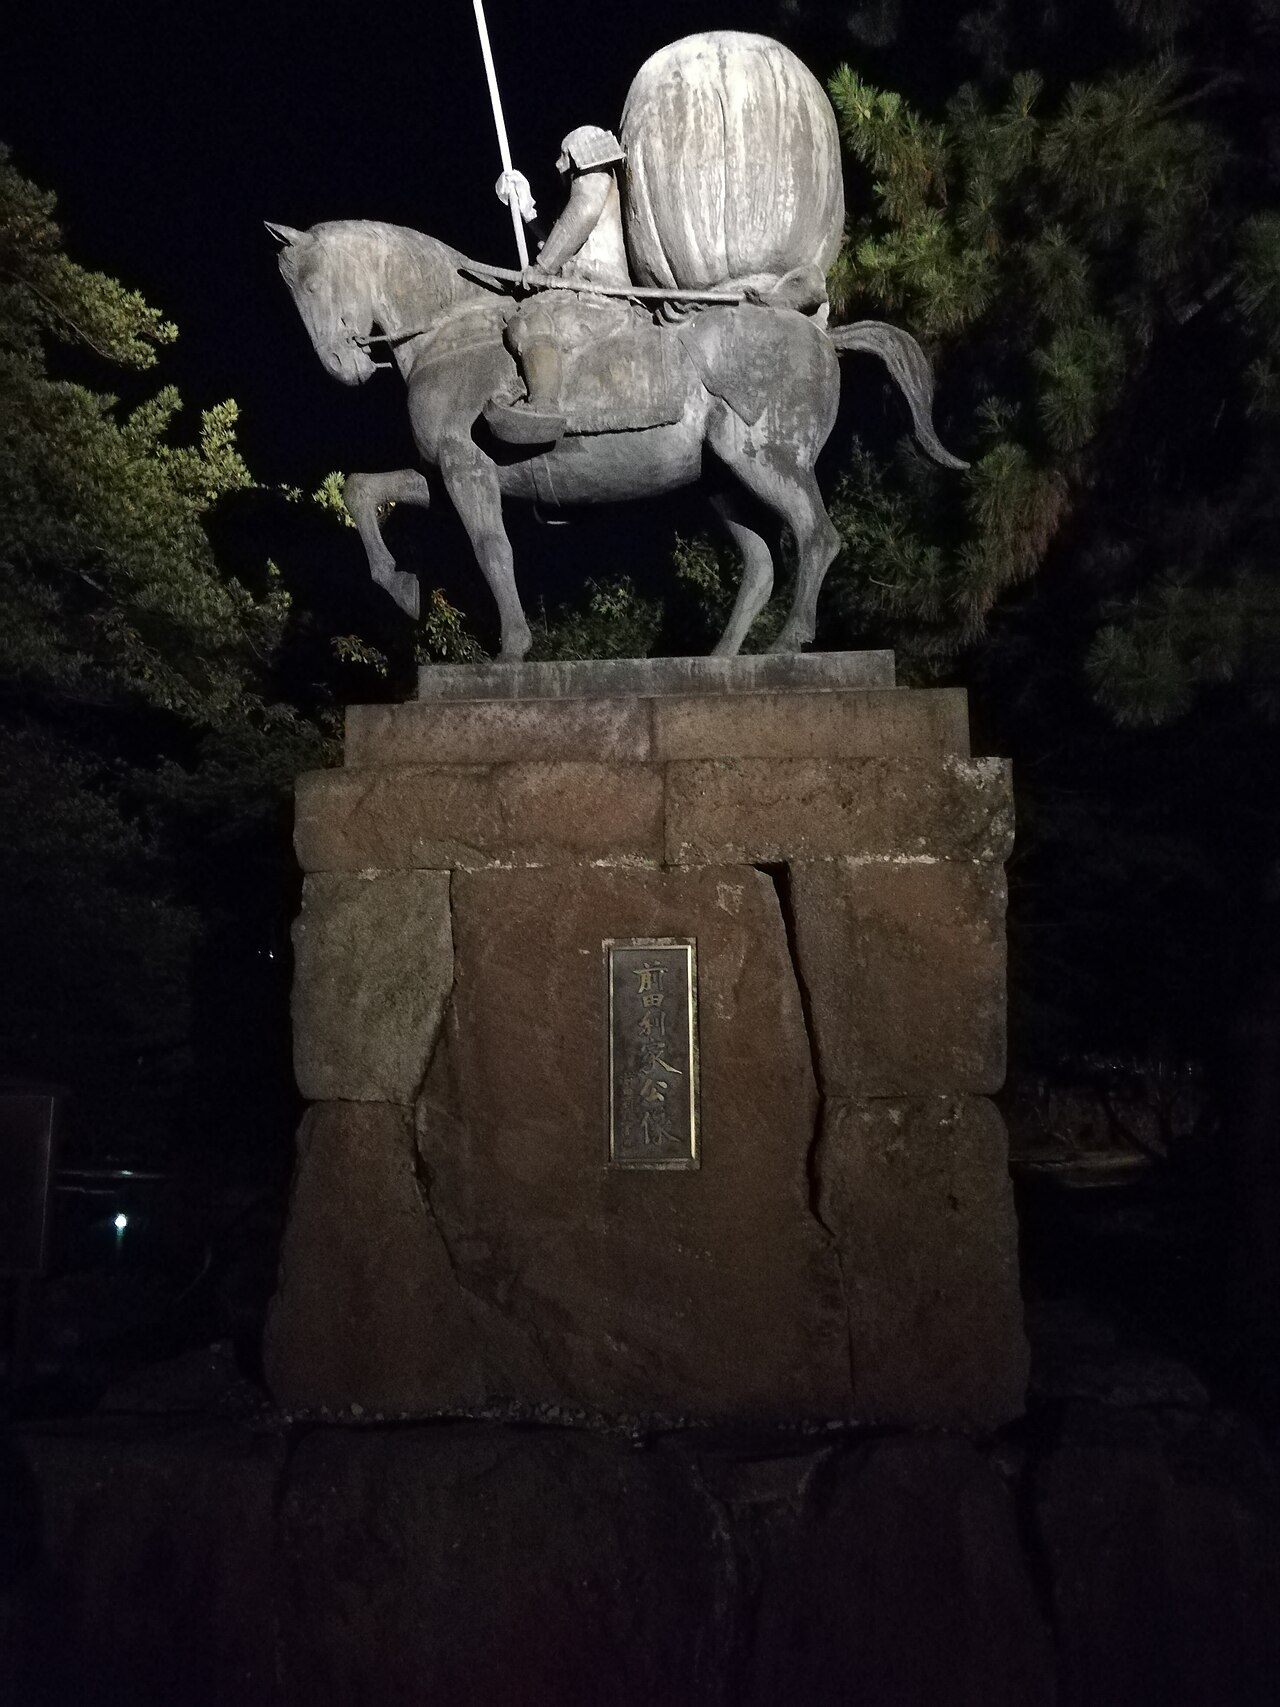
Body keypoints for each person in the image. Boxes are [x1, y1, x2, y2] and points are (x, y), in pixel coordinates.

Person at [488, 126, 632, 443]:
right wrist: (526, 208)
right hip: (579, 288)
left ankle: (542, 408)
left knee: (530, 322)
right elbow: (560, 240)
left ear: (578, 155)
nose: (559, 163)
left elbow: (580, 216)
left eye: (564, 155)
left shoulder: (594, 181)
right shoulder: (585, 189)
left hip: (597, 292)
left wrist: (542, 267)